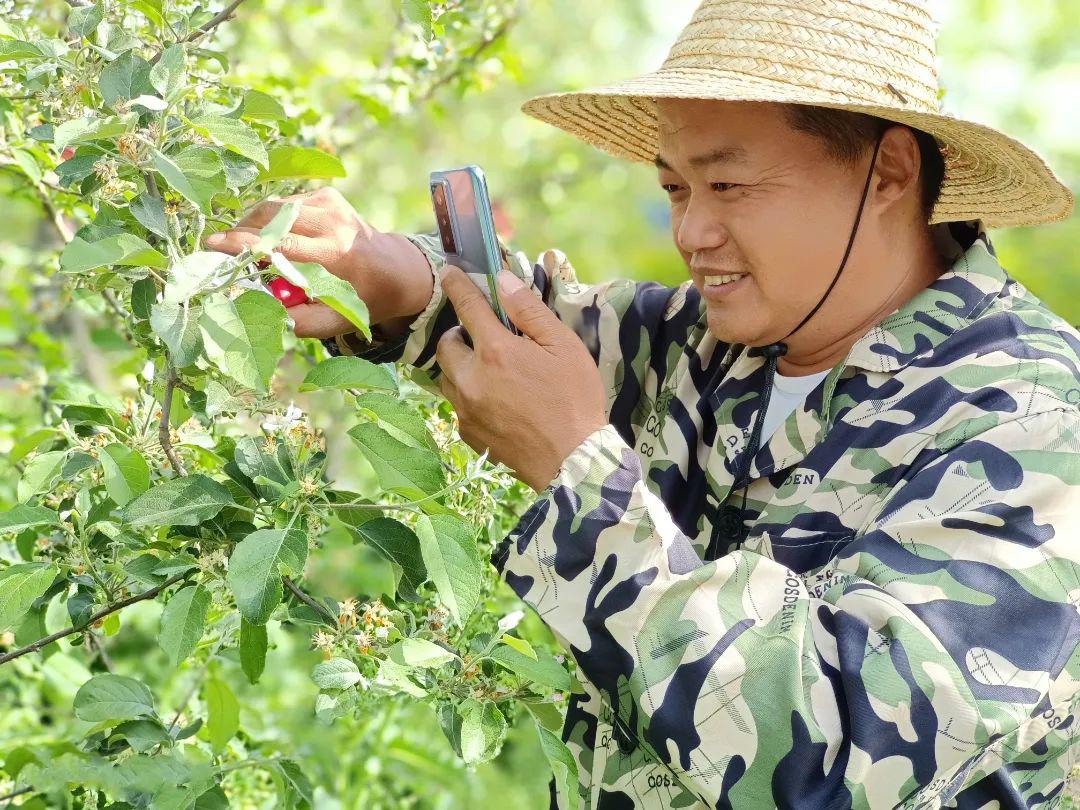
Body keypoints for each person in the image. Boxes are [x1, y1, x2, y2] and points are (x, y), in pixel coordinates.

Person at [205, 0, 1080, 805]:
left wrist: (579, 472)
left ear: (886, 169)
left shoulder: (1030, 416)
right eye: (674, 188)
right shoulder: (706, 343)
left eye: (728, 185)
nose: (692, 233)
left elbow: (843, 758)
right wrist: (385, 274)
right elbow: (546, 324)